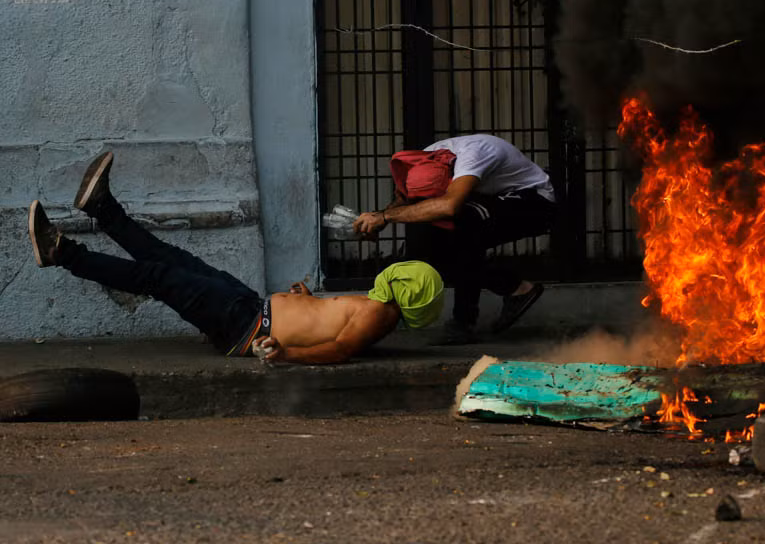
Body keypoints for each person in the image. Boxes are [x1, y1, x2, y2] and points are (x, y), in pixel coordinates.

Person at [28, 152, 444, 364]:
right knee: (168, 258)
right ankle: (103, 209)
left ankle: (63, 253)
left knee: (158, 275)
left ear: (408, 290)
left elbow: (337, 348)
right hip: (248, 307)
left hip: (243, 325)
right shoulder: (374, 308)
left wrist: (285, 356)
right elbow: (322, 325)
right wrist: (305, 300)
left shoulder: (379, 315)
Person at [353, 134, 557, 344]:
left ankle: (467, 319)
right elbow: (405, 200)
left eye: (435, 196)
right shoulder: (425, 158)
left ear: (451, 180)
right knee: (435, 239)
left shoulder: (473, 157)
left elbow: (448, 206)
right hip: (491, 197)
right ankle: (512, 290)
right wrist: (378, 218)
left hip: (535, 202)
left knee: (462, 223)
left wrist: (387, 217)